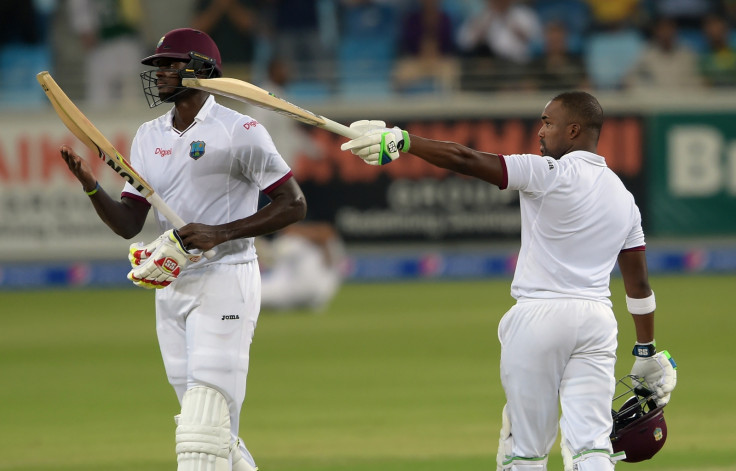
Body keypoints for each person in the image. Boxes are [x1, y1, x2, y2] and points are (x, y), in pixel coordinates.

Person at [340, 91, 677, 471]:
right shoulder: (624, 197)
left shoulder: (548, 173)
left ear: (574, 129)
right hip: (598, 322)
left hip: (539, 317)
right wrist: (646, 351)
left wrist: (405, 140)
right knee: (591, 447)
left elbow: (466, 159)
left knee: (526, 450)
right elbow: (639, 287)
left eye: (548, 122)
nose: (541, 131)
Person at [58, 28, 307, 471]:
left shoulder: (241, 129)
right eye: (157, 66)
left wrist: (220, 233)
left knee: (201, 430)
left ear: (201, 69)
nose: (160, 74)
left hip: (227, 277)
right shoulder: (146, 135)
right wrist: (92, 187)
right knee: (213, 435)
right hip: (171, 284)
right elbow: (129, 224)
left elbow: (294, 204)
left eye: (170, 65)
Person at [67, 0, 145, 106]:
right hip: (100, 42)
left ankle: (131, 119)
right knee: (100, 94)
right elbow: (79, 7)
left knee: (130, 90)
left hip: (126, 37)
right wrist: (84, 28)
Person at [259, 221, 345, 311]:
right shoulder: (305, 243)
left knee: (252, 295)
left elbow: (325, 233)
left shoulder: (297, 240)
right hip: (314, 293)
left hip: (297, 289)